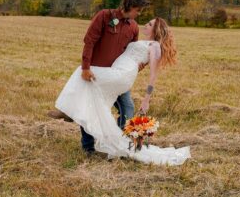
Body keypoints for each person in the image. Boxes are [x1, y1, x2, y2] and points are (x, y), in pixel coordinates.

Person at [52, 17, 191, 166]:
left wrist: (146, 100)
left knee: (83, 71)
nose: (146, 25)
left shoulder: (155, 45)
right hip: (116, 70)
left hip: (123, 74)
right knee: (94, 98)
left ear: (156, 29)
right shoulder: (142, 42)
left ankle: (66, 111)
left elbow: (153, 76)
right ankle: (97, 134)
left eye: (150, 24)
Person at [48, 0, 150, 154]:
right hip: (96, 75)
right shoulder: (104, 16)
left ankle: (120, 143)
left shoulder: (133, 27)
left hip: (117, 76)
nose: (139, 14)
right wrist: (86, 67)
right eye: (138, 10)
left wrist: (136, 66)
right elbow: (89, 41)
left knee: (128, 106)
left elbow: (132, 52)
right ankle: (88, 147)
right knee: (91, 107)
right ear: (130, 6)